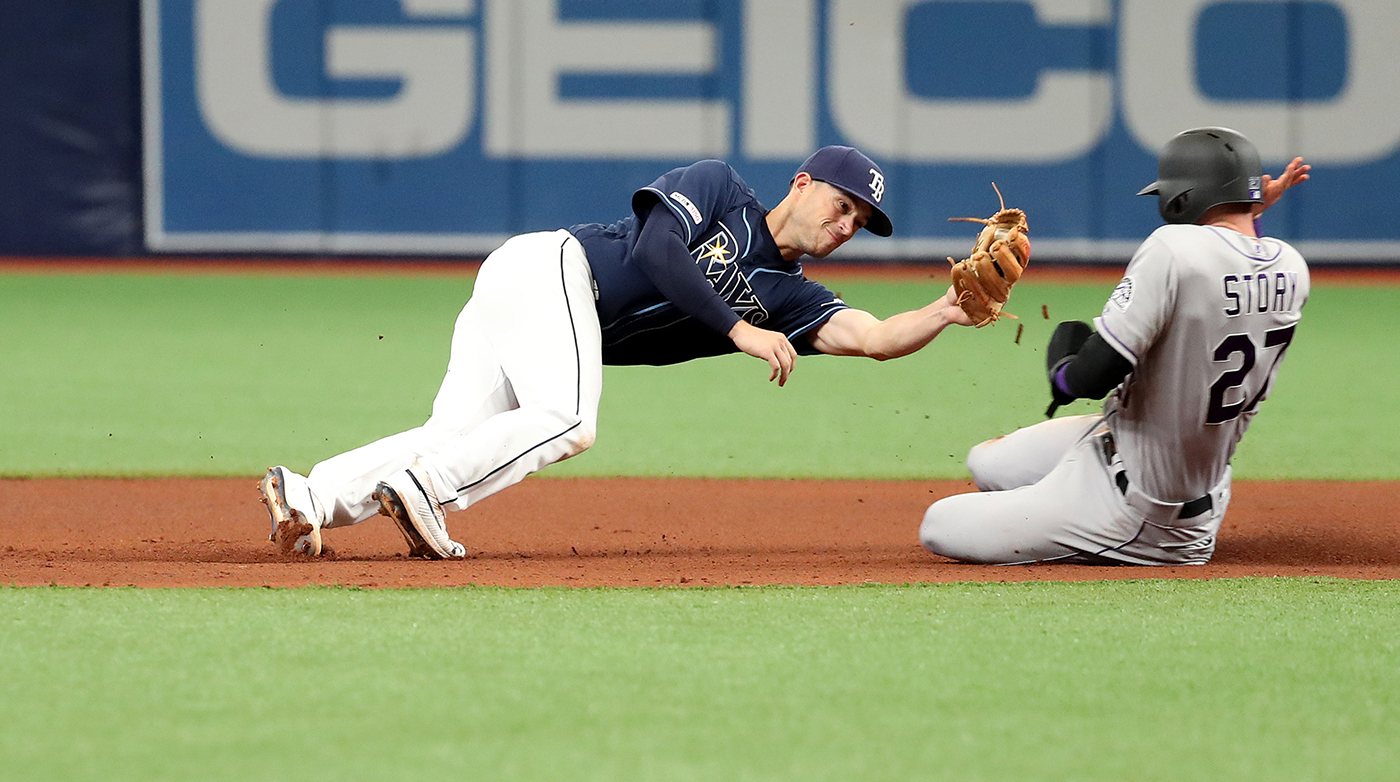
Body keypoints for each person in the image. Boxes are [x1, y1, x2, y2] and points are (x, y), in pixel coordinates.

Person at [261, 145, 979, 559]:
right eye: (842, 202)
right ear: (801, 182)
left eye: (860, 219)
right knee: (570, 419)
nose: (847, 222)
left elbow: (877, 339)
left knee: (452, 437)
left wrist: (947, 309)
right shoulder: (722, 188)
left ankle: (311, 496)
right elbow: (657, 246)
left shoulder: (791, 298)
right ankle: (428, 491)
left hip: (545, 307)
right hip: (550, 268)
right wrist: (738, 330)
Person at [919, 127, 1311, 566]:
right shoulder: (1293, 267)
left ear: (1181, 199)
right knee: (988, 464)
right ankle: (1059, 501)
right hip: (1187, 471)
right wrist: (1252, 210)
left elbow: (1088, 378)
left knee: (939, 523)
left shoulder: (1173, 248)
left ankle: (1091, 527)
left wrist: (1062, 366)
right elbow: (1238, 258)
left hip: (1143, 510)